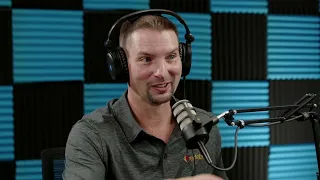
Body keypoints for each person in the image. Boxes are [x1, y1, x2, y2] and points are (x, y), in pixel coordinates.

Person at [62, 11, 228, 180]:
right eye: (146, 59)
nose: (162, 72)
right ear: (122, 67)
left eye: (171, 56)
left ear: (183, 60)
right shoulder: (91, 134)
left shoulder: (205, 126)